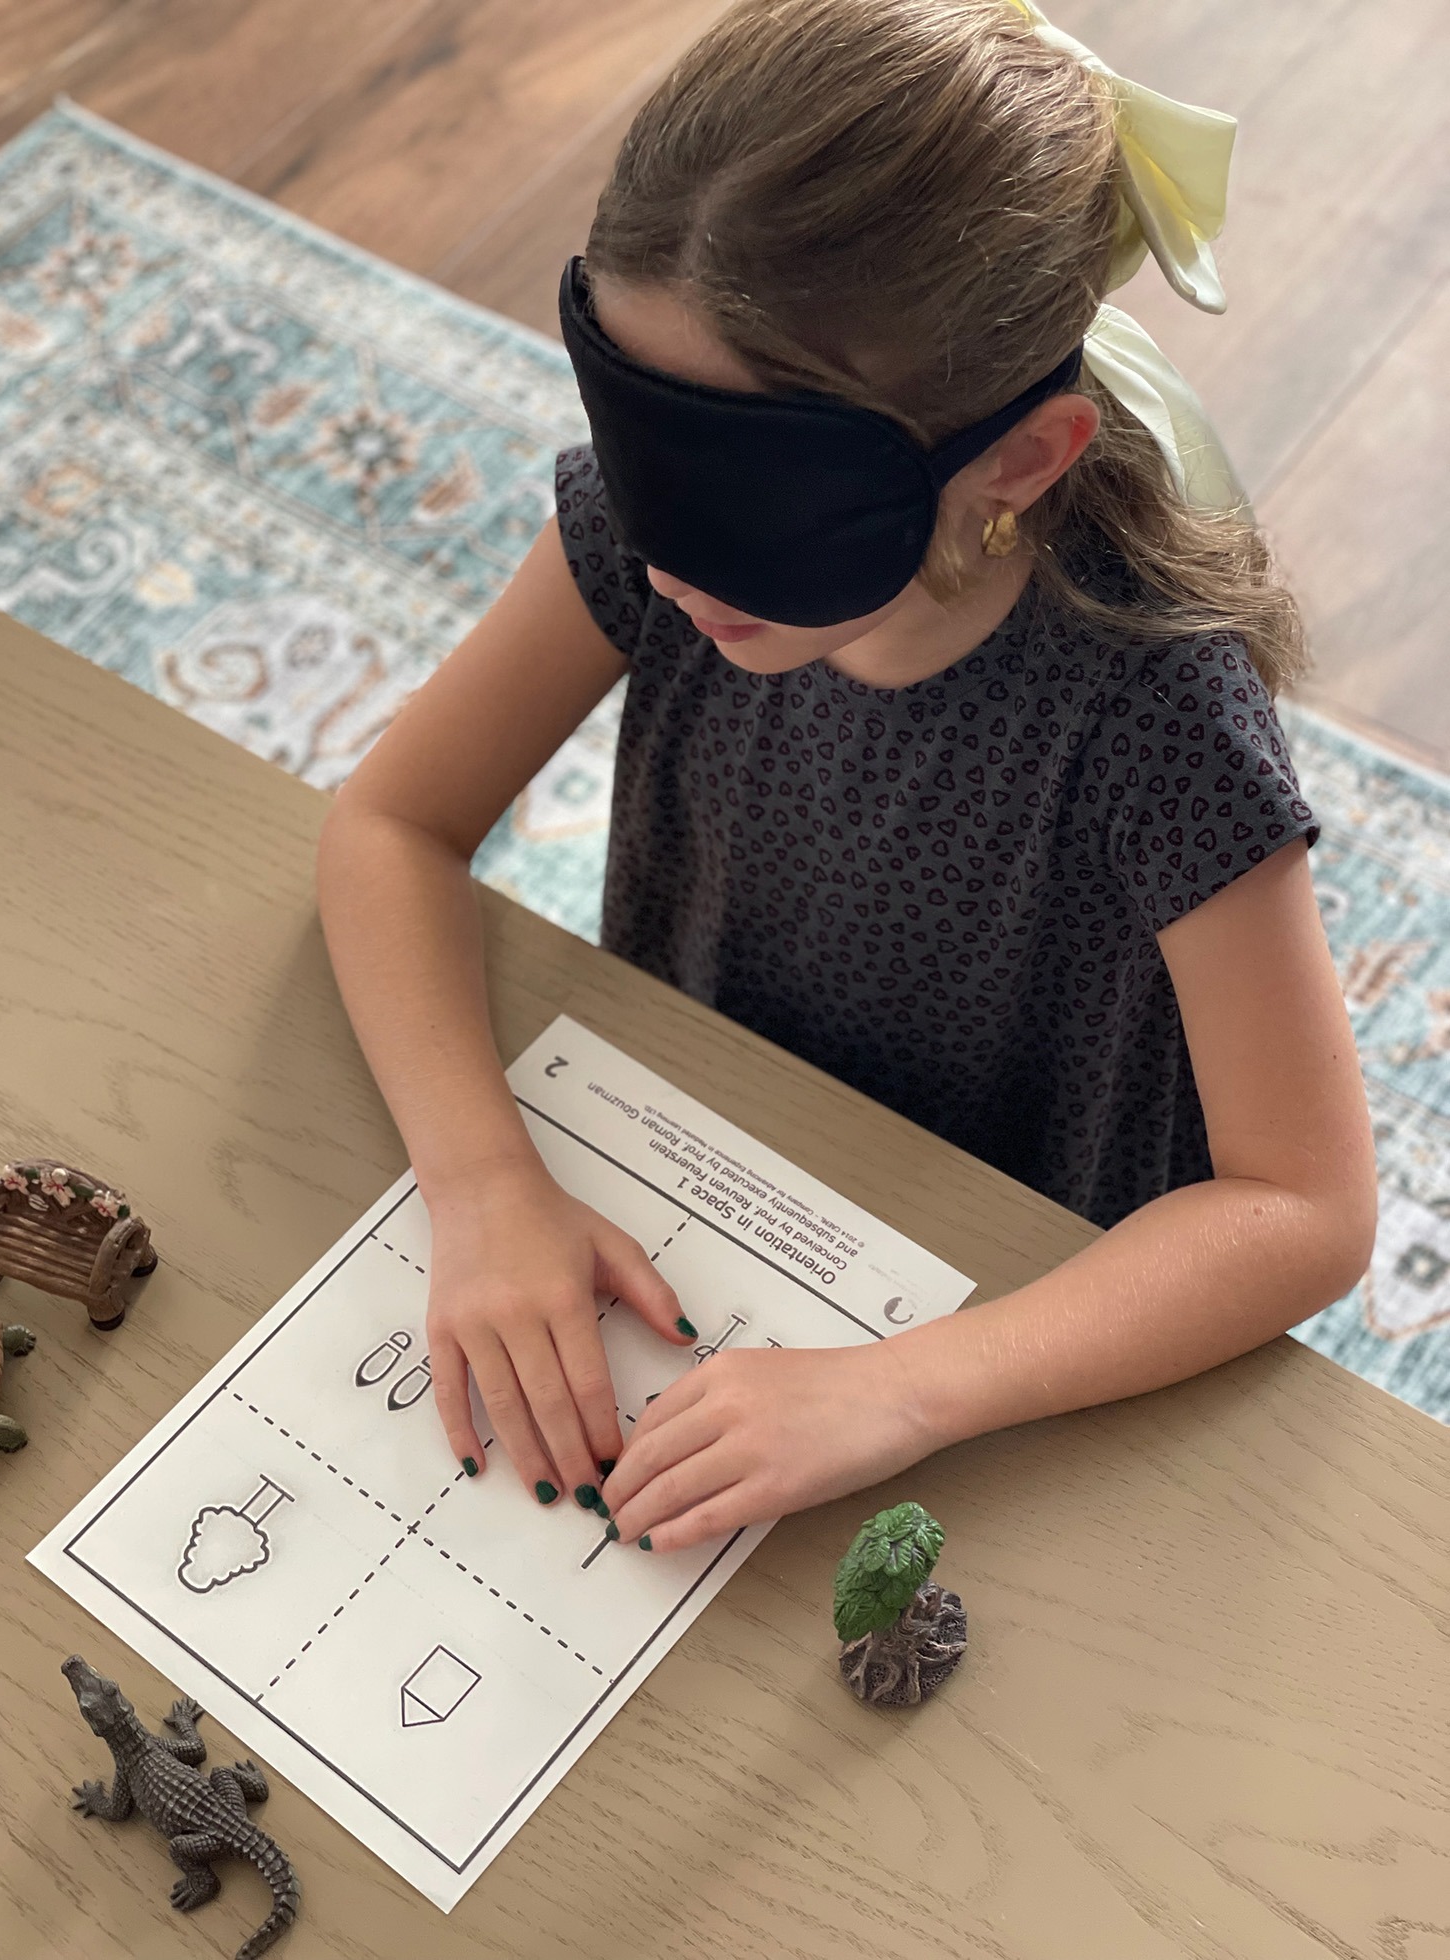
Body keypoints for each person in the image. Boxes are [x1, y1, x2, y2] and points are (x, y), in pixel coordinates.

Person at [316, 0, 1376, 1553]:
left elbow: (1303, 1210)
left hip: (1006, 1254)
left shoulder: (1153, 707)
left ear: (1016, 464)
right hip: (708, 1125)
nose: (668, 557)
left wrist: (906, 1388)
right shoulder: (653, 536)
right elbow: (390, 823)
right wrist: (478, 1181)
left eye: (745, 503)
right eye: (639, 439)